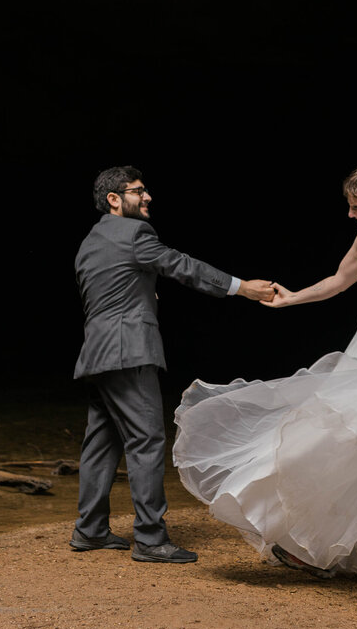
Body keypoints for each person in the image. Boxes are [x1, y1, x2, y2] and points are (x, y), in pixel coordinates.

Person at [172, 163, 357, 584]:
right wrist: (292, 300)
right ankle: (311, 542)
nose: (351, 214)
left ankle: (335, 548)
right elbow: (337, 281)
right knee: (330, 438)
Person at [71, 165, 276, 564]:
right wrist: (241, 288)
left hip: (97, 353)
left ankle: (90, 530)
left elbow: (108, 291)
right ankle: (150, 539)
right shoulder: (135, 234)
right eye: (138, 191)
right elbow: (182, 266)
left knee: (101, 441)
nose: (147, 197)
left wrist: (143, 297)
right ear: (114, 199)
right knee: (146, 441)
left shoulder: (91, 241)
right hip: (128, 351)